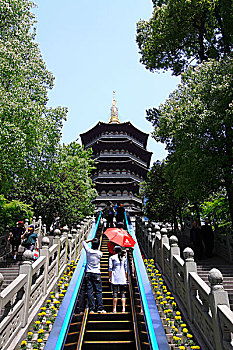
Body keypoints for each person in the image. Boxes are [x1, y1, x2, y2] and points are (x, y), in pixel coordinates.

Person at [83, 238, 106, 314]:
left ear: (92, 245)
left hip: (89, 272)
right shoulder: (100, 253)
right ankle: (100, 308)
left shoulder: (88, 251)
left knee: (90, 291)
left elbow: (83, 242)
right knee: (98, 291)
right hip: (97, 273)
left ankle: (92, 309)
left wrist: (90, 240)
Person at [109, 246, 127, 313]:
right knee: (122, 293)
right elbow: (126, 269)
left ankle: (114, 309)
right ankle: (123, 309)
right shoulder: (124, 258)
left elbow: (110, 268)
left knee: (115, 293)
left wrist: (109, 277)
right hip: (122, 277)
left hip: (115, 277)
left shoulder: (112, 258)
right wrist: (126, 277)